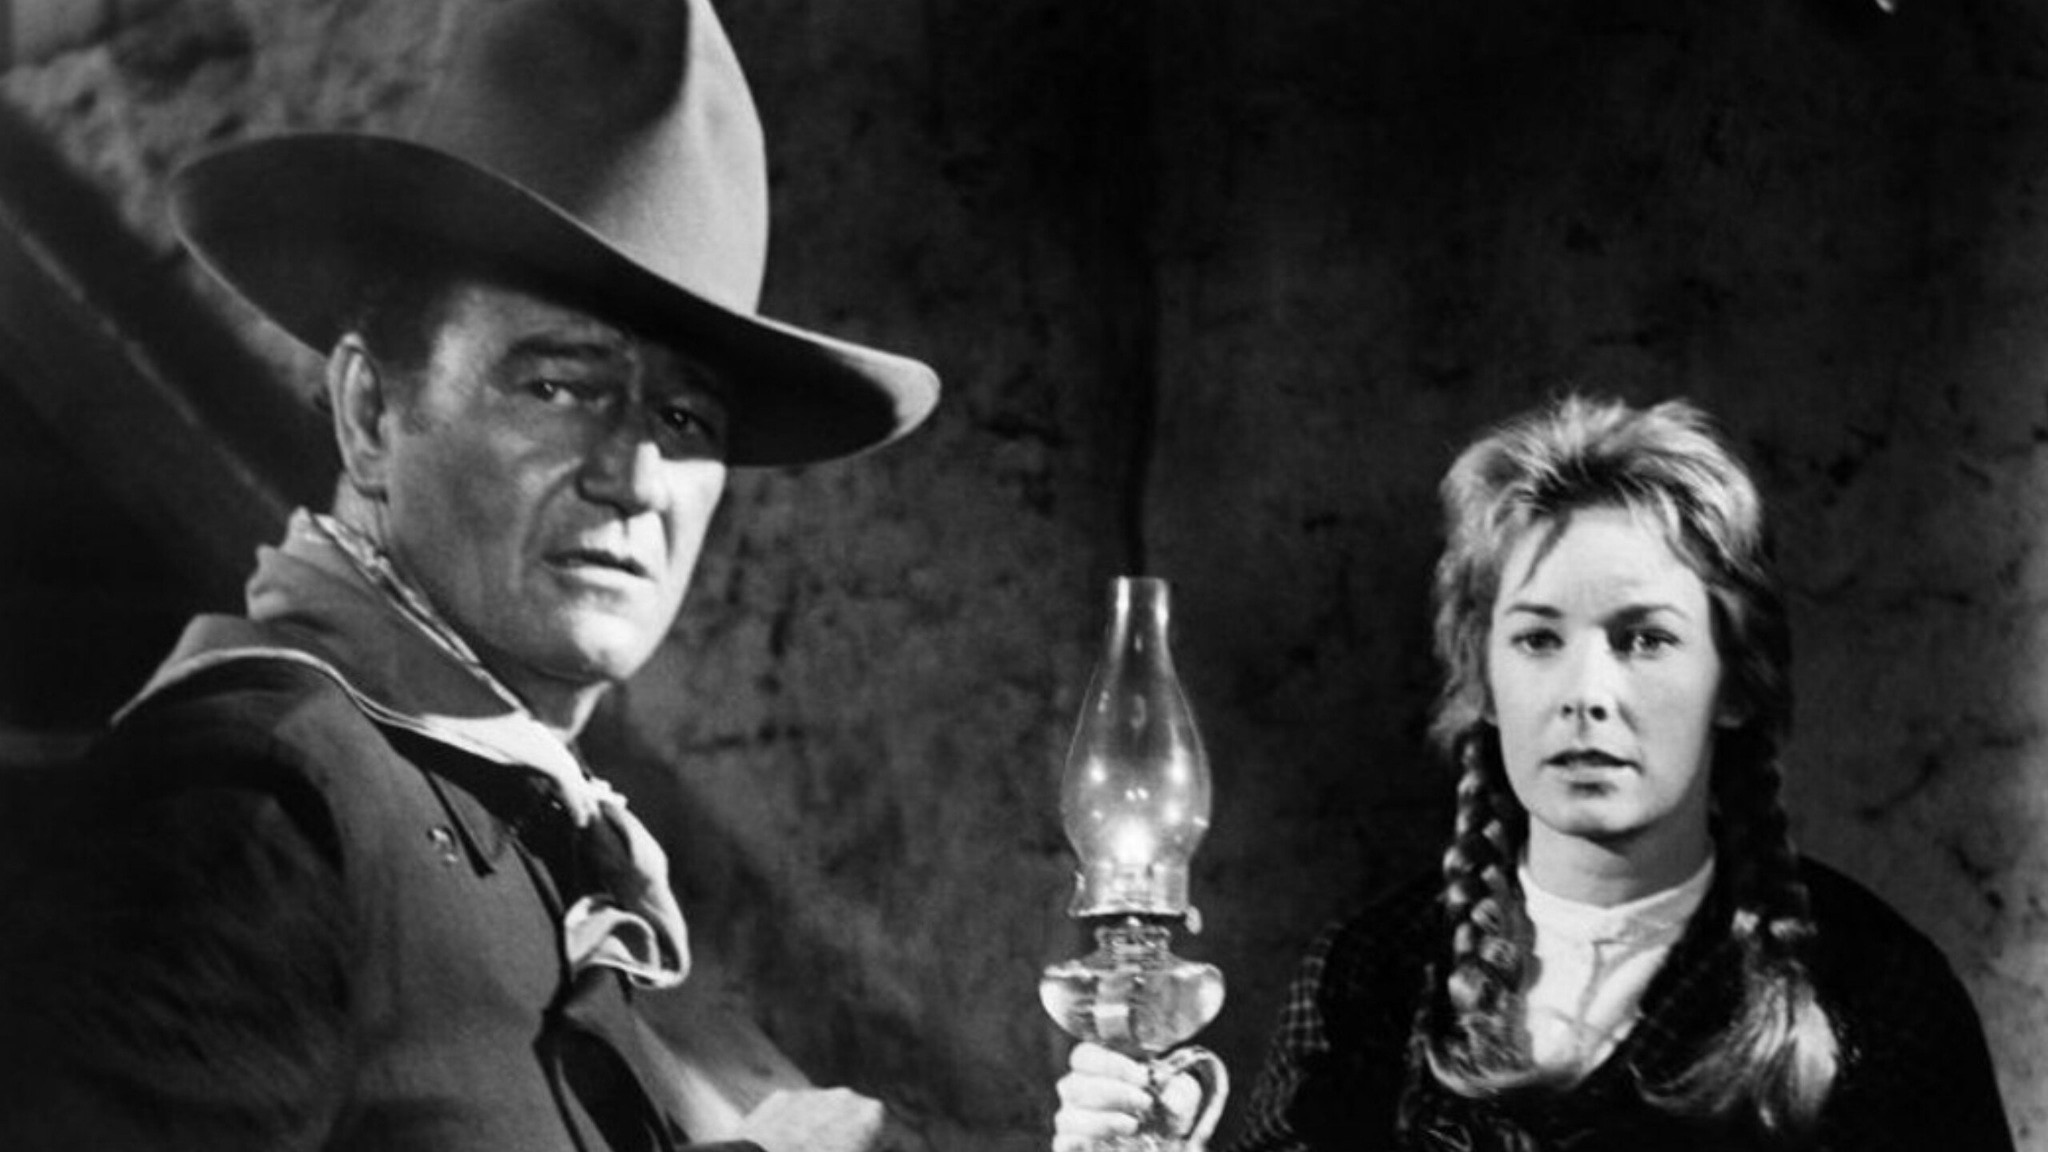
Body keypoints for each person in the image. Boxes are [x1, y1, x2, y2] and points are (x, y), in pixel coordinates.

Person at [0, 1, 938, 1150]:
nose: (635, 476)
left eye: (684, 417)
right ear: (369, 414)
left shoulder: (532, 826)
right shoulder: (261, 799)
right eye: (558, 386)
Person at [1052, 396, 2014, 1151]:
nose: (1586, 695)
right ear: (1483, 675)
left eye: (1643, 639)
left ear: (1733, 681)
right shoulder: (1371, 979)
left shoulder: (1871, 992)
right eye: (1539, 639)